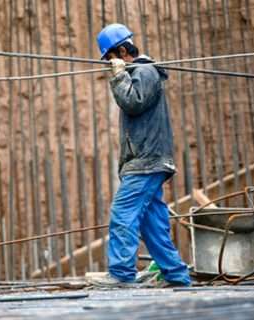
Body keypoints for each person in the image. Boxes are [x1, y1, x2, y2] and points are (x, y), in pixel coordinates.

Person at [92, 23, 191, 287]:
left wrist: (119, 76)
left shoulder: (145, 71)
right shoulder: (140, 72)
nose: (108, 65)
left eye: (110, 58)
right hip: (148, 160)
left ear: (123, 51)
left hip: (145, 161)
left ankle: (122, 274)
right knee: (153, 224)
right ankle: (177, 276)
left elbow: (133, 103)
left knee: (123, 213)